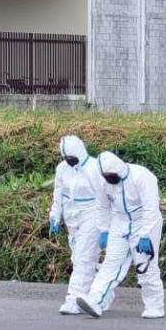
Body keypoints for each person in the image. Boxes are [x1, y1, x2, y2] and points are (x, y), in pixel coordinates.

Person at [76, 151, 165, 319]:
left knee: (145, 265)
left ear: (119, 169)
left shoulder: (141, 176)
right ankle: (95, 301)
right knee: (110, 264)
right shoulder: (103, 182)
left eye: (111, 175)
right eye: (105, 176)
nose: (108, 178)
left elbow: (151, 207)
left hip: (143, 220)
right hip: (119, 221)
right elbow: (102, 206)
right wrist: (104, 230)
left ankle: (155, 306)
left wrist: (145, 234)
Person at [48, 135, 107, 315]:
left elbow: (104, 199)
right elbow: (58, 193)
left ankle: (73, 300)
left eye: (71, 157)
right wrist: (55, 216)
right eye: (66, 158)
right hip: (71, 216)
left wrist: (104, 226)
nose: (69, 161)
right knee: (79, 259)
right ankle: (102, 294)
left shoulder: (94, 168)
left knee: (83, 258)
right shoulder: (62, 169)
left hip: (92, 214)